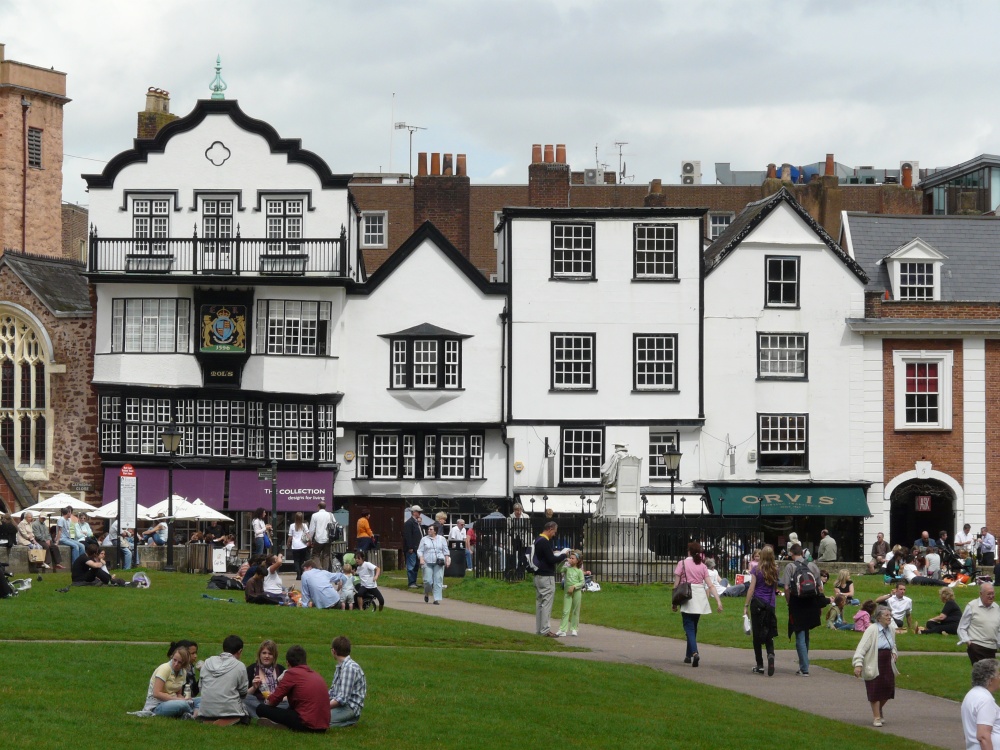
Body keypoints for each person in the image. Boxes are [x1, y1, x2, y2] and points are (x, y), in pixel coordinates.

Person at [257, 645, 330, 733]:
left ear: (288, 663)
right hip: (323, 726)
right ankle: (280, 723)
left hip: (306, 724)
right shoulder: (315, 674)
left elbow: (273, 701)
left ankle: (281, 724)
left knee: (260, 708)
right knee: (288, 709)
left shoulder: (291, 673)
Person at [673, 541, 723, 668]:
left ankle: (694, 653)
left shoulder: (682, 563)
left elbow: (676, 584)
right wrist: (718, 601)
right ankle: (688, 655)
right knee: (693, 626)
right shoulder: (702, 566)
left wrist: (674, 602)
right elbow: (710, 585)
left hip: (687, 595)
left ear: (689, 551)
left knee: (688, 626)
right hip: (700, 596)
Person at [780, 543, 825, 676]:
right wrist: (819, 604)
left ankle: (804, 668)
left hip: (797, 602)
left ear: (792, 553)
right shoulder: (812, 565)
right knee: (806, 633)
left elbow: (786, 587)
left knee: (799, 632)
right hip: (811, 602)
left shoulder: (790, 566)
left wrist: (789, 602)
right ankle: (804, 664)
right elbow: (820, 586)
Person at [852, 604, 898, 728]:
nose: (889, 618)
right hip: (874, 661)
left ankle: (878, 709)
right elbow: (861, 648)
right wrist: (858, 664)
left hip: (886, 662)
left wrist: (894, 652)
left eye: (890, 615)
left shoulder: (891, 629)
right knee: (875, 689)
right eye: (886, 615)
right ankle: (876, 717)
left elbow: (893, 644)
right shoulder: (872, 630)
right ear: (878, 618)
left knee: (888, 689)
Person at [197, 634, 250, 726]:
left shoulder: (207, 662)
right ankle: (227, 720)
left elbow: (201, 687)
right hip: (230, 711)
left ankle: (209, 719)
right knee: (246, 714)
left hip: (205, 711)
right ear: (240, 651)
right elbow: (243, 692)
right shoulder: (239, 666)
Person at [744, 544, 778, 676]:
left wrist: (746, 605)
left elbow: (751, 588)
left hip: (758, 603)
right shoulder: (775, 569)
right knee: (769, 632)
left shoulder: (756, 570)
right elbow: (774, 588)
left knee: (757, 634)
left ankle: (760, 664)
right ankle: (770, 654)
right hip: (770, 604)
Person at [140, 645, 199, 718]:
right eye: (174, 660)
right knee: (182, 705)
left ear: (184, 664)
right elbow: (156, 693)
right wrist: (179, 700)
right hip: (157, 705)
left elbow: (179, 693)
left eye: (180, 662)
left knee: (202, 700)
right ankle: (194, 713)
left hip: (174, 702)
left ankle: (191, 713)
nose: (176, 664)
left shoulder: (183, 672)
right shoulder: (164, 669)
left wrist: (184, 699)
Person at [533, 521, 569, 638]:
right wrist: (564, 555)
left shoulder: (537, 540)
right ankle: (545, 630)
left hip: (538, 575)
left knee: (540, 603)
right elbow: (551, 559)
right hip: (546, 576)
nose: (554, 534)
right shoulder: (544, 541)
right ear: (550, 529)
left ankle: (539, 629)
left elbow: (544, 556)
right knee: (546, 604)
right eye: (554, 531)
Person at [327, 636, 366, 727]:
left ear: (333, 651)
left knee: (320, 720)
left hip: (349, 707)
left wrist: (324, 706)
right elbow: (333, 692)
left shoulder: (349, 668)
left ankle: (350, 721)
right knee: (315, 715)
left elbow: (342, 698)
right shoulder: (341, 666)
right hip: (341, 705)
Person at [962, 658, 1000, 750]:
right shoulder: (985, 700)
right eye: (998, 675)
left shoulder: (972, 694)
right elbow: (983, 736)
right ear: (990, 680)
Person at [959, 583, 1000, 664]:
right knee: (984, 673)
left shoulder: (996, 607)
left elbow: (998, 628)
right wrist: (968, 641)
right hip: (976, 647)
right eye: (989, 594)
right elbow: (962, 627)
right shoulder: (972, 606)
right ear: (981, 594)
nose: (991, 596)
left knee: (990, 674)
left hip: (991, 648)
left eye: (993, 593)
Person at [244, 639, 285, 718]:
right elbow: (245, 694)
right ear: (259, 654)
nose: (266, 656)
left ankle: (264, 716)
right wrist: (254, 687)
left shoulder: (281, 670)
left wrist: (277, 699)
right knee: (244, 699)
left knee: (289, 702)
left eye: (270, 654)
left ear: (274, 656)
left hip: (277, 703)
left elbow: (287, 694)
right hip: (259, 703)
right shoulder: (251, 669)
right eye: (264, 653)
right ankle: (272, 716)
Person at [418, 522, 450, 605]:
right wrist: (421, 559)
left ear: (435, 531)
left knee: (438, 580)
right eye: (428, 529)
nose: (429, 530)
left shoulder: (442, 539)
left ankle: (436, 599)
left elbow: (446, 550)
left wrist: (447, 560)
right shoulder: (424, 539)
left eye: (431, 529)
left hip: (439, 562)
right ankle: (427, 593)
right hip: (427, 562)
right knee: (427, 580)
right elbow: (420, 550)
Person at [555, 549, 586, 637]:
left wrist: (574, 586)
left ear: (577, 560)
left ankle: (574, 628)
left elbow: (582, 582)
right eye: (570, 558)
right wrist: (564, 560)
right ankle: (562, 629)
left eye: (573, 558)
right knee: (566, 611)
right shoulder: (567, 569)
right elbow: (558, 569)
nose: (571, 559)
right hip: (567, 593)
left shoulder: (579, 571)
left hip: (576, 592)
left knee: (575, 610)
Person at [307, 500, 334, 572]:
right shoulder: (330, 515)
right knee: (326, 556)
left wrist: (309, 539)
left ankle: (319, 569)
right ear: (325, 507)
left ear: (318, 507)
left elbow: (312, 529)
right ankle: (325, 571)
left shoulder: (315, 515)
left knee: (315, 554)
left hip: (318, 538)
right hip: (328, 538)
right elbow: (334, 524)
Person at [403, 505, 425, 588]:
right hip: (412, 548)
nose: (420, 514)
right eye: (419, 512)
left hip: (417, 548)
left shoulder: (416, 523)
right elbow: (408, 536)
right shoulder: (409, 523)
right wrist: (410, 547)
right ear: (414, 512)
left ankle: (414, 582)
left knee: (416, 565)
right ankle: (411, 582)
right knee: (411, 566)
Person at [287, 512, 310, 580]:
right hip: (303, 545)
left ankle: (298, 574)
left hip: (295, 546)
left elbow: (290, 537)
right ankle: (302, 572)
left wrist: (288, 543)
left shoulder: (292, 526)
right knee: (302, 560)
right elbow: (308, 535)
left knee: (296, 560)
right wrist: (309, 542)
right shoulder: (304, 525)